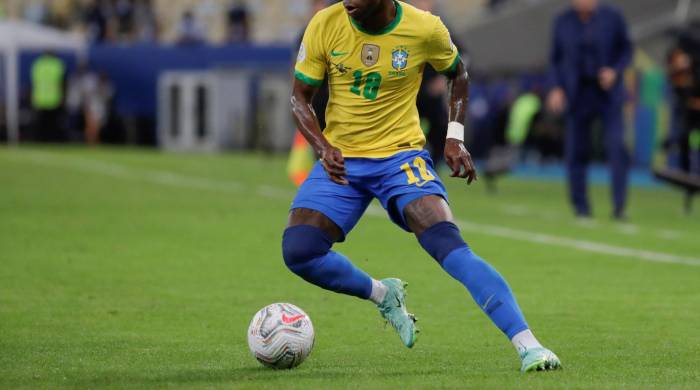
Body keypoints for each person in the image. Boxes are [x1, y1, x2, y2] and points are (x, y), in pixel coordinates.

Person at [286, 0, 561, 372]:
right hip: (343, 158)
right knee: (300, 250)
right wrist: (322, 146)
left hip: (401, 158)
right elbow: (299, 96)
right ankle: (383, 294)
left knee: (448, 243)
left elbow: (458, 75)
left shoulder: (425, 28)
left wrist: (454, 137)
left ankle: (530, 345)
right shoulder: (325, 23)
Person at [547, 0, 632, 219]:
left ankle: (619, 206)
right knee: (576, 151)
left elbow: (626, 50)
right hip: (578, 94)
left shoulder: (613, 17)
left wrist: (615, 71)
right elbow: (555, 59)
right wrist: (556, 87)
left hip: (607, 94)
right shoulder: (562, 21)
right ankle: (581, 207)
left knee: (616, 146)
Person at [31, 51, 67, 142]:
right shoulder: (58, 64)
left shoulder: (38, 64)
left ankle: (40, 140)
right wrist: (63, 96)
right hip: (54, 98)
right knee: (53, 123)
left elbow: (34, 83)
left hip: (40, 98)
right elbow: (63, 82)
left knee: (41, 123)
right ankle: (52, 140)